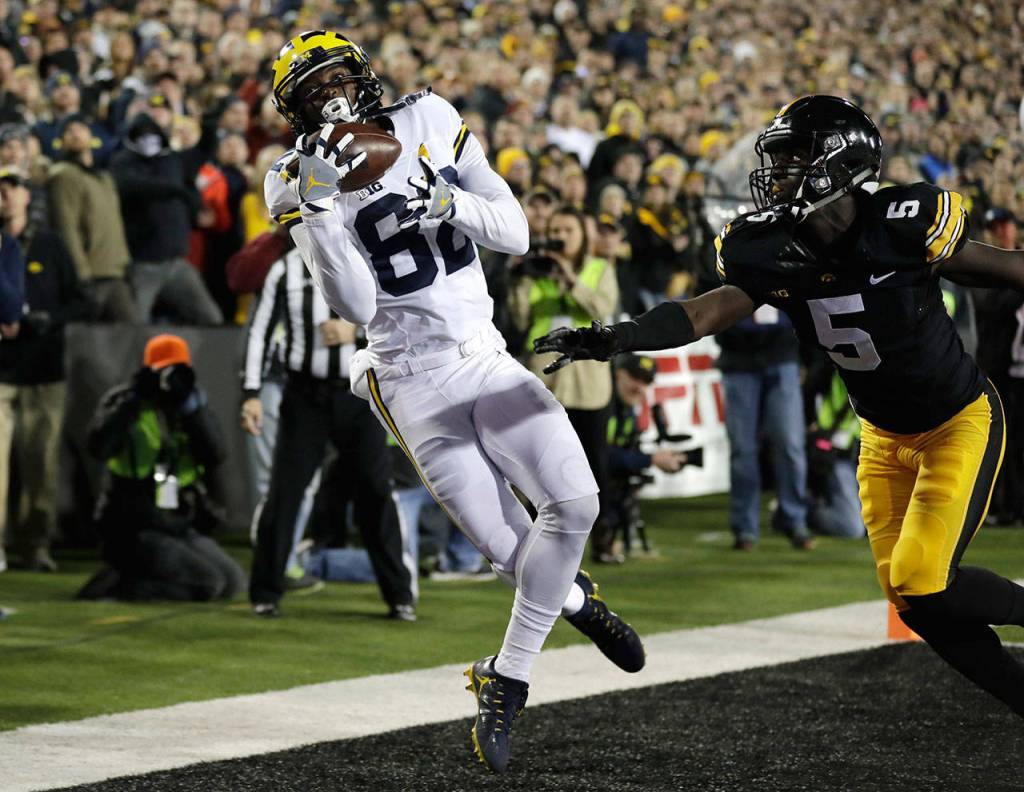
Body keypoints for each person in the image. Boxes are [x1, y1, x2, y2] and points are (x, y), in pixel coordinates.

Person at [537, 94, 1024, 722]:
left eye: (796, 158)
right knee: (912, 599)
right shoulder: (766, 248)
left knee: (924, 576)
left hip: (958, 421)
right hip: (880, 436)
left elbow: (1000, 267)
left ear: (840, 163)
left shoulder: (902, 220)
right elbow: (708, 310)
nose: (779, 172)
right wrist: (621, 336)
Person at [265, 30, 645, 773]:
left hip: (484, 352)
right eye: (310, 94)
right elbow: (354, 303)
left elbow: (517, 230)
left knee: (577, 505)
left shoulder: (428, 118)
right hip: (407, 375)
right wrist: (318, 211)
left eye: (335, 79)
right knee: (508, 548)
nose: (330, 98)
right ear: (294, 114)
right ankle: (572, 605)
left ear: (363, 75)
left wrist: (448, 201)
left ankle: (506, 677)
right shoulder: (289, 177)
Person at [240, 236, 416, 620]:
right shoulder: (284, 269)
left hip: (361, 394)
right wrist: (251, 391)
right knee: (285, 491)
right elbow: (260, 331)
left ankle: (400, 593)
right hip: (306, 395)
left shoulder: (365, 257)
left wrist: (355, 332)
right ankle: (265, 590)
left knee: (375, 489)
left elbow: (400, 316)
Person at [81, 334, 244, 602]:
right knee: (207, 584)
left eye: (178, 369)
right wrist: (135, 399)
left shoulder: (193, 403)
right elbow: (99, 447)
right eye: (163, 370)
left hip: (177, 521)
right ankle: (115, 586)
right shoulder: (123, 399)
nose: (170, 378)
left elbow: (215, 455)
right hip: (134, 524)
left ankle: (136, 574)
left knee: (232, 581)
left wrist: (191, 411)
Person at [0, 167, 85, 571]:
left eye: (12, 188)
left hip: (43, 370)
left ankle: (35, 545)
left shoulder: (50, 244)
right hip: (2, 373)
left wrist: (50, 319)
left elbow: (82, 301)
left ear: (27, 197)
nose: (5, 195)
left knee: (41, 466)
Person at [48, 115, 138, 323]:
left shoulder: (104, 178)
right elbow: (66, 226)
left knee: (131, 338)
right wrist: (81, 274)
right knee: (85, 343)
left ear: (92, 135)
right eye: (68, 131)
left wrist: (126, 261)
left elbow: (116, 225)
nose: (75, 134)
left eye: (80, 128)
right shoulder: (63, 175)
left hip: (117, 273)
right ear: (61, 141)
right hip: (91, 276)